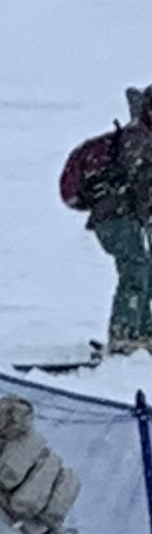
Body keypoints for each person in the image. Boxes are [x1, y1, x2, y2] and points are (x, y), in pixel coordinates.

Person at [59, 92, 152, 354]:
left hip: (122, 215)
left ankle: (143, 334)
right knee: (136, 267)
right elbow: (140, 185)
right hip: (115, 215)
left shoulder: (141, 136)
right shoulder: (138, 139)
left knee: (143, 269)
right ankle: (124, 336)